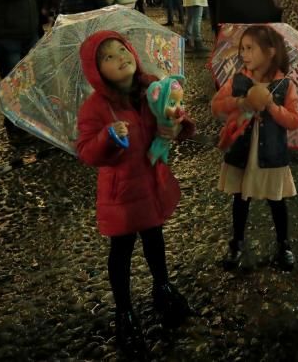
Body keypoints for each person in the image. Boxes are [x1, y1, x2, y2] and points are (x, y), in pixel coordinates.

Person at [76, 31, 195, 357]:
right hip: (123, 192)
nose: (120, 57)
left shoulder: (152, 88)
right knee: (122, 250)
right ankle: (124, 311)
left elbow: (172, 111)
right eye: (108, 57)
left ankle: (162, 286)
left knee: (155, 238)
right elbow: (86, 151)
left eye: (122, 49)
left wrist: (175, 125)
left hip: (152, 181)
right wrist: (108, 137)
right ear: (96, 71)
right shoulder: (96, 107)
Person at [212, 25, 298, 271]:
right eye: (242, 48)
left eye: (250, 48)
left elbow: (294, 120)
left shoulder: (284, 85)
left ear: (271, 51)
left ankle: (283, 244)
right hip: (242, 152)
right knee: (240, 199)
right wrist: (241, 101)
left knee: (277, 200)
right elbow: (217, 106)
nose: (244, 54)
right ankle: (237, 242)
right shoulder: (238, 79)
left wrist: (272, 107)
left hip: (271, 155)